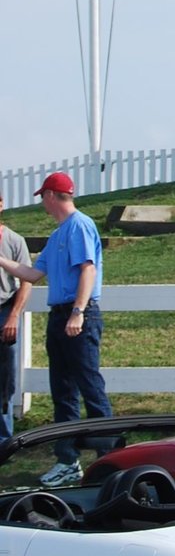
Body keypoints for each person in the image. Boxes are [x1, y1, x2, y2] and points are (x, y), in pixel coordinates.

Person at [0, 172, 112, 483]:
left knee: (90, 386)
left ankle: (109, 460)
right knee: (63, 390)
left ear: (51, 195)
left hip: (78, 314)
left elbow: (87, 270)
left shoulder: (79, 225)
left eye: (43, 198)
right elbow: (33, 274)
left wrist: (78, 312)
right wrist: (2, 260)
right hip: (59, 316)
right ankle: (68, 460)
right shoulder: (58, 233)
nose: (42, 204)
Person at [0, 197, 32, 441]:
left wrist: (13, 316)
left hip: (4, 312)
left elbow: (26, 281)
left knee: (5, 380)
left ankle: (4, 440)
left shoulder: (14, 240)